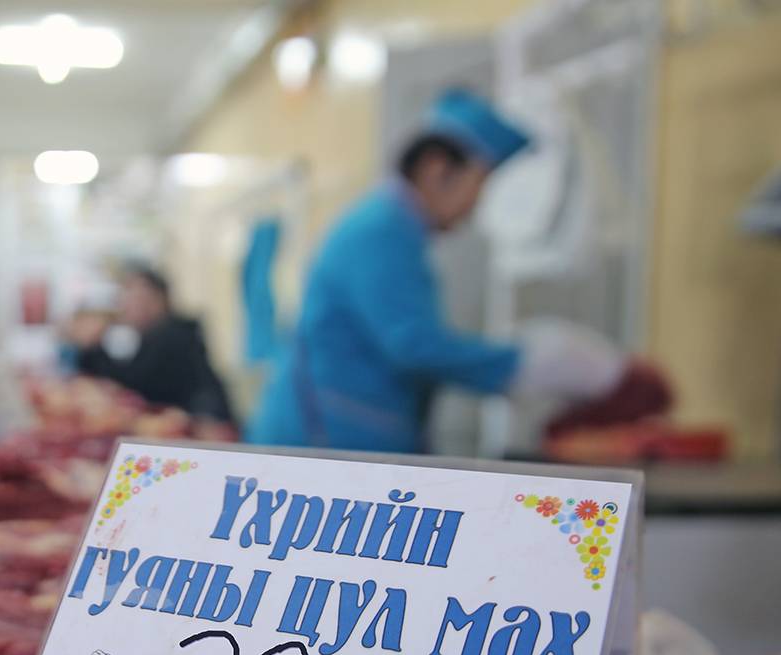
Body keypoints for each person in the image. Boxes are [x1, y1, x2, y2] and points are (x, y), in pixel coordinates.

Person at [250, 88, 624, 452]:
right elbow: (413, 345)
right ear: (437, 169)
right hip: (324, 437)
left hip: (342, 432)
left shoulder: (392, 228)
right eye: (480, 185)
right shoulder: (381, 232)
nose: (475, 207)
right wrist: (518, 364)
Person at [71, 264, 237, 426]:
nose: (131, 305)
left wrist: (94, 346)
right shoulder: (138, 338)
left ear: (161, 300)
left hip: (194, 428)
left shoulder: (176, 336)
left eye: (140, 298)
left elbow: (138, 383)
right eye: (126, 297)